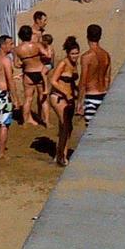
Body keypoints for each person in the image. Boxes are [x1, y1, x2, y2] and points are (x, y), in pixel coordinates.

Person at [48, 36, 81, 166]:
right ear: (67, 53)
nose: (75, 56)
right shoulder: (63, 63)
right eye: (72, 53)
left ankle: (61, 154)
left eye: (77, 53)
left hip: (70, 97)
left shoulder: (74, 64)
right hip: (58, 97)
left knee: (67, 127)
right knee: (65, 125)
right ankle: (61, 157)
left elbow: (72, 81)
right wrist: (66, 92)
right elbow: (53, 80)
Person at [14, 24, 48, 127]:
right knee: (44, 98)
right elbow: (46, 54)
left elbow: (16, 64)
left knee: (28, 98)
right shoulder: (36, 45)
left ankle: (25, 121)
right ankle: (47, 121)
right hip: (39, 71)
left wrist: (25, 62)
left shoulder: (17, 49)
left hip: (28, 73)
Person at [78, 24, 111, 125]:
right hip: (103, 94)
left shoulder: (86, 57)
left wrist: (79, 102)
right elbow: (107, 78)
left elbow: (83, 81)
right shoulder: (106, 55)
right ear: (100, 36)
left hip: (91, 95)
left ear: (87, 36)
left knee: (90, 130)